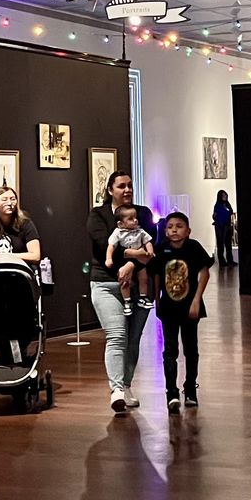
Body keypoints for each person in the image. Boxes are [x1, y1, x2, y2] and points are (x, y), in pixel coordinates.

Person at [85, 170, 155, 414]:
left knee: (133, 339)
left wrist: (130, 265)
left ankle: (126, 385)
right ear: (110, 190)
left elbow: (151, 245)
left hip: (139, 285)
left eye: (129, 186)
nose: (126, 190)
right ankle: (116, 390)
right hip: (106, 284)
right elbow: (104, 245)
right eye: (121, 186)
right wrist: (133, 256)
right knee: (117, 336)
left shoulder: (143, 214)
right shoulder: (98, 215)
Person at [153, 211, 213, 413]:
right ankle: (171, 392)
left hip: (189, 307)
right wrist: (156, 300)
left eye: (179, 226)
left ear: (188, 230)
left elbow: (204, 272)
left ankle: (190, 389)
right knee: (169, 349)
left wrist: (197, 300)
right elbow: (156, 276)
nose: (174, 230)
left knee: (190, 349)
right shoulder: (161, 249)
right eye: (170, 226)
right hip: (168, 307)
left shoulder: (193, 247)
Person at [109, 204, 154, 316]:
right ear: (120, 223)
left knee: (143, 278)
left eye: (135, 217)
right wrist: (108, 258)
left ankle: (143, 297)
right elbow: (111, 246)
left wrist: (150, 251)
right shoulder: (117, 233)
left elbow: (147, 241)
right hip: (124, 262)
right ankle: (127, 301)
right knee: (125, 281)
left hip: (140, 261)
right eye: (130, 219)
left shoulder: (140, 231)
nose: (135, 220)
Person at [211, 190, 235, 267]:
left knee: (228, 245)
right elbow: (215, 215)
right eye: (223, 195)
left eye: (225, 195)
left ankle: (230, 261)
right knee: (220, 244)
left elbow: (231, 212)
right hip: (220, 227)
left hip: (227, 226)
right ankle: (222, 261)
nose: (225, 197)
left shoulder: (227, 204)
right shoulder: (217, 205)